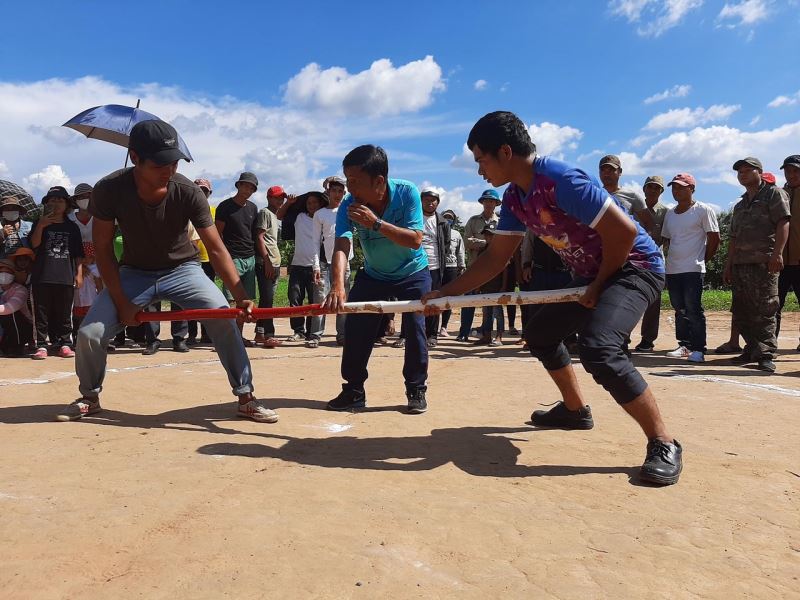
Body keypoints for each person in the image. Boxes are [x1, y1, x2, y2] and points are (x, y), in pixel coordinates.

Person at [423, 111, 682, 485]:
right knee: (542, 335)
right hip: (593, 275)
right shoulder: (514, 197)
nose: (479, 170)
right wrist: (444, 294)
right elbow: (496, 258)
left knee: (599, 348)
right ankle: (575, 411)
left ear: (505, 152)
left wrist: (597, 285)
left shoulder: (561, 180)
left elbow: (623, 235)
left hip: (633, 267)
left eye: (481, 159)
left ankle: (664, 440)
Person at [60, 120, 277, 423]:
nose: (170, 169)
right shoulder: (109, 190)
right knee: (90, 333)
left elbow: (215, 249)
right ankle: (89, 396)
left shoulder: (188, 191)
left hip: (183, 269)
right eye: (161, 163)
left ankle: (246, 396)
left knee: (223, 318)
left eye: (174, 161)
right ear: (135, 158)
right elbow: (104, 249)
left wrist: (241, 297)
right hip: (134, 272)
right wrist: (122, 303)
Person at [322, 144, 431, 414]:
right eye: (347, 181)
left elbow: (415, 241)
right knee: (356, 329)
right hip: (374, 274)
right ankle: (353, 391)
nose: (349, 189)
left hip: (412, 272)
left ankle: (416, 389)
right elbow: (342, 245)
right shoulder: (350, 204)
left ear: (379, 181)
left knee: (415, 328)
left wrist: (376, 224)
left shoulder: (407, 193)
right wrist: (338, 285)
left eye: (355, 182)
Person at [724, 157, 790, 373]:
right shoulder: (741, 204)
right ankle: (751, 348)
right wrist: (728, 264)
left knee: (765, 309)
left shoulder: (774, 193)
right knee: (742, 309)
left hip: (764, 262)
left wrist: (777, 253)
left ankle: (766, 354)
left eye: (747, 170)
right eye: (739, 171)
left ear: (759, 172)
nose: (742, 174)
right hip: (741, 264)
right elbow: (733, 237)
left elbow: (783, 222)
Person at [661, 173, 720, 363]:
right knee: (679, 309)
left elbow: (714, 238)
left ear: (692, 189)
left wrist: (703, 259)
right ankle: (684, 345)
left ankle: (699, 349)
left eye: (681, 187)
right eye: (674, 187)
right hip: (673, 269)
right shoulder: (670, 213)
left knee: (693, 309)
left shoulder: (703, 210)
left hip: (693, 268)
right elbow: (668, 240)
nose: (676, 190)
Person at [29, 186, 84, 360]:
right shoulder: (39, 223)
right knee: (41, 312)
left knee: (64, 312)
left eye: (60, 200)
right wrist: (42, 225)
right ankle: (42, 345)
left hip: (65, 276)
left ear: (67, 204)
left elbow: (78, 254)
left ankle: (65, 343)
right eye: (52, 200)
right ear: (46, 204)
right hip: (42, 275)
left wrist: (79, 273)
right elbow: (34, 245)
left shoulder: (72, 227)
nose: (56, 203)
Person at [215, 171, 259, 344]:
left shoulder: (253, 208)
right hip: (232, 257)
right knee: (230, 299)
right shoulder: (225, 207)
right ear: (238, 185)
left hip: (250, 258)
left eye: (251, 187)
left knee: (245, 300)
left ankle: (238, 336)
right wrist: (223, 259)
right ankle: (227, 336)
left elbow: (254, 234)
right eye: (245, 185)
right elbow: (218, 235)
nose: (248, 189)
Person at [280, 191, 328, 347]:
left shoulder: (323, 219)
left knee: (315, 301)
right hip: (298, 265)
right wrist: (289, 202)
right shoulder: (299, 217)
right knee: (295, 300)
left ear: (321, 204)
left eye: (315, 202)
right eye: (309, 203)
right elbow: (279, 215)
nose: (312, 205)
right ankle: (298, 331)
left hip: (317, 267)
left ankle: (311, 332)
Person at [313, 176, 353, 346]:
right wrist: (315, 265)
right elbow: (315, 241)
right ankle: (315, 335)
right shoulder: (320, 214)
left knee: (342, 298)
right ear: (327, 192)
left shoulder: (348, 211)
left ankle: (342, 334)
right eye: (334, 190)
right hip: (324, 261)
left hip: (345, 263)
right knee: (320, 298)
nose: (337, 194)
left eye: (340, 191)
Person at [457, 189, 501, 341]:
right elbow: (466, 241)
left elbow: (502, 244)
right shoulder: (473, 220)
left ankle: (486, 333)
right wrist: (486, 243)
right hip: (474, 267)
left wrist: (483, 243)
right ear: (482, 202)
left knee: (490, 303)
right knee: (469, 300)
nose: (489, 203)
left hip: (493, 270)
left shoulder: (501, 222)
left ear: (496, 204)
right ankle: (463, 333)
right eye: (486, 201)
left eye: (492, 201)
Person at [633, 176, 668, 351]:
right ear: (644, 188)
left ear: (661, 191)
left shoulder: (666, 212)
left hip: (654, 261)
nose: (653, 190)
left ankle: (648, 339)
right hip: (632, 259)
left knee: (653, 302)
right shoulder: (636, 208)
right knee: (628, 298)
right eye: (650, 186)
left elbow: (667, 239)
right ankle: (622, 338)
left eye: (657, 187)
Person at [253, 185, 285, 348]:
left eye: (282, 198)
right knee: (267, 300)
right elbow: (259, 236)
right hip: (267, 262)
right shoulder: (265, 213)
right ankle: (268, 334)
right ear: (269, 198)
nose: (280, 200)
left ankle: (260, 333)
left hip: (275, 262)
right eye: (277, 197)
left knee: (267, 300)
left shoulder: (275, 215)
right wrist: (266, 261)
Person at [418, 189, 450, 347]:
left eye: (433, 200)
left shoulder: (443, 222)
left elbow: (446, 244)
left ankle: (432, 334)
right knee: (413, 301)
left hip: (435, 266)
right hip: (416, 266)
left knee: (434, 301)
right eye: (426, 200)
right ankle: (406, 334)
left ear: (438, 202)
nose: (430, 203)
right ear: (421, 201)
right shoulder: (414, 216)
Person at [187, 178, 216, 345]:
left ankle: (207, 333)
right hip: (190, 262)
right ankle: (191, 334)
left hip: (208, 261)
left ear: (209, 194)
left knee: (207, 298)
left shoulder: (214, 211)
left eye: (204, 191)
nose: (201, 193)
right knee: (191, 299)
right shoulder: (185, 210)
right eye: (197, 189)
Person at [776, 155, 800, 349]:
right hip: (780, 261)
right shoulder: (780, 194)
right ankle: (769, 344)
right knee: (774, 305)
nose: (791, 174)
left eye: (795, 170)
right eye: (788, 170)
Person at [598, 154, 653, 229]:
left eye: (611, 169)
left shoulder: (632, 196)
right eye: (603, 170)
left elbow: (649, 222)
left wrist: (639, 239)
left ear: (620, 171)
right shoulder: (595, 195)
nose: (606, 173)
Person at [438, 209, 465, 336]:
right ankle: (432, 327)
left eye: (450, 218)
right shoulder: (436, 231)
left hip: (452, 268)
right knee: (436, 295)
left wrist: (462, 266)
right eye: (445, 217)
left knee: (448, 297)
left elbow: (460, 251)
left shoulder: (457, 234)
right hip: (438, 267)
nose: (448, 219)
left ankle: (444, 326)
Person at [0, 258, 33, 356]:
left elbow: (10, 308)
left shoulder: (21, 290)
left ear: (13, 275)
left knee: (11, 314)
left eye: (7, 272)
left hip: (23, 326)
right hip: (4, 328)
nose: (3, 274)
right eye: (1, 272)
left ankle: (16, 346)